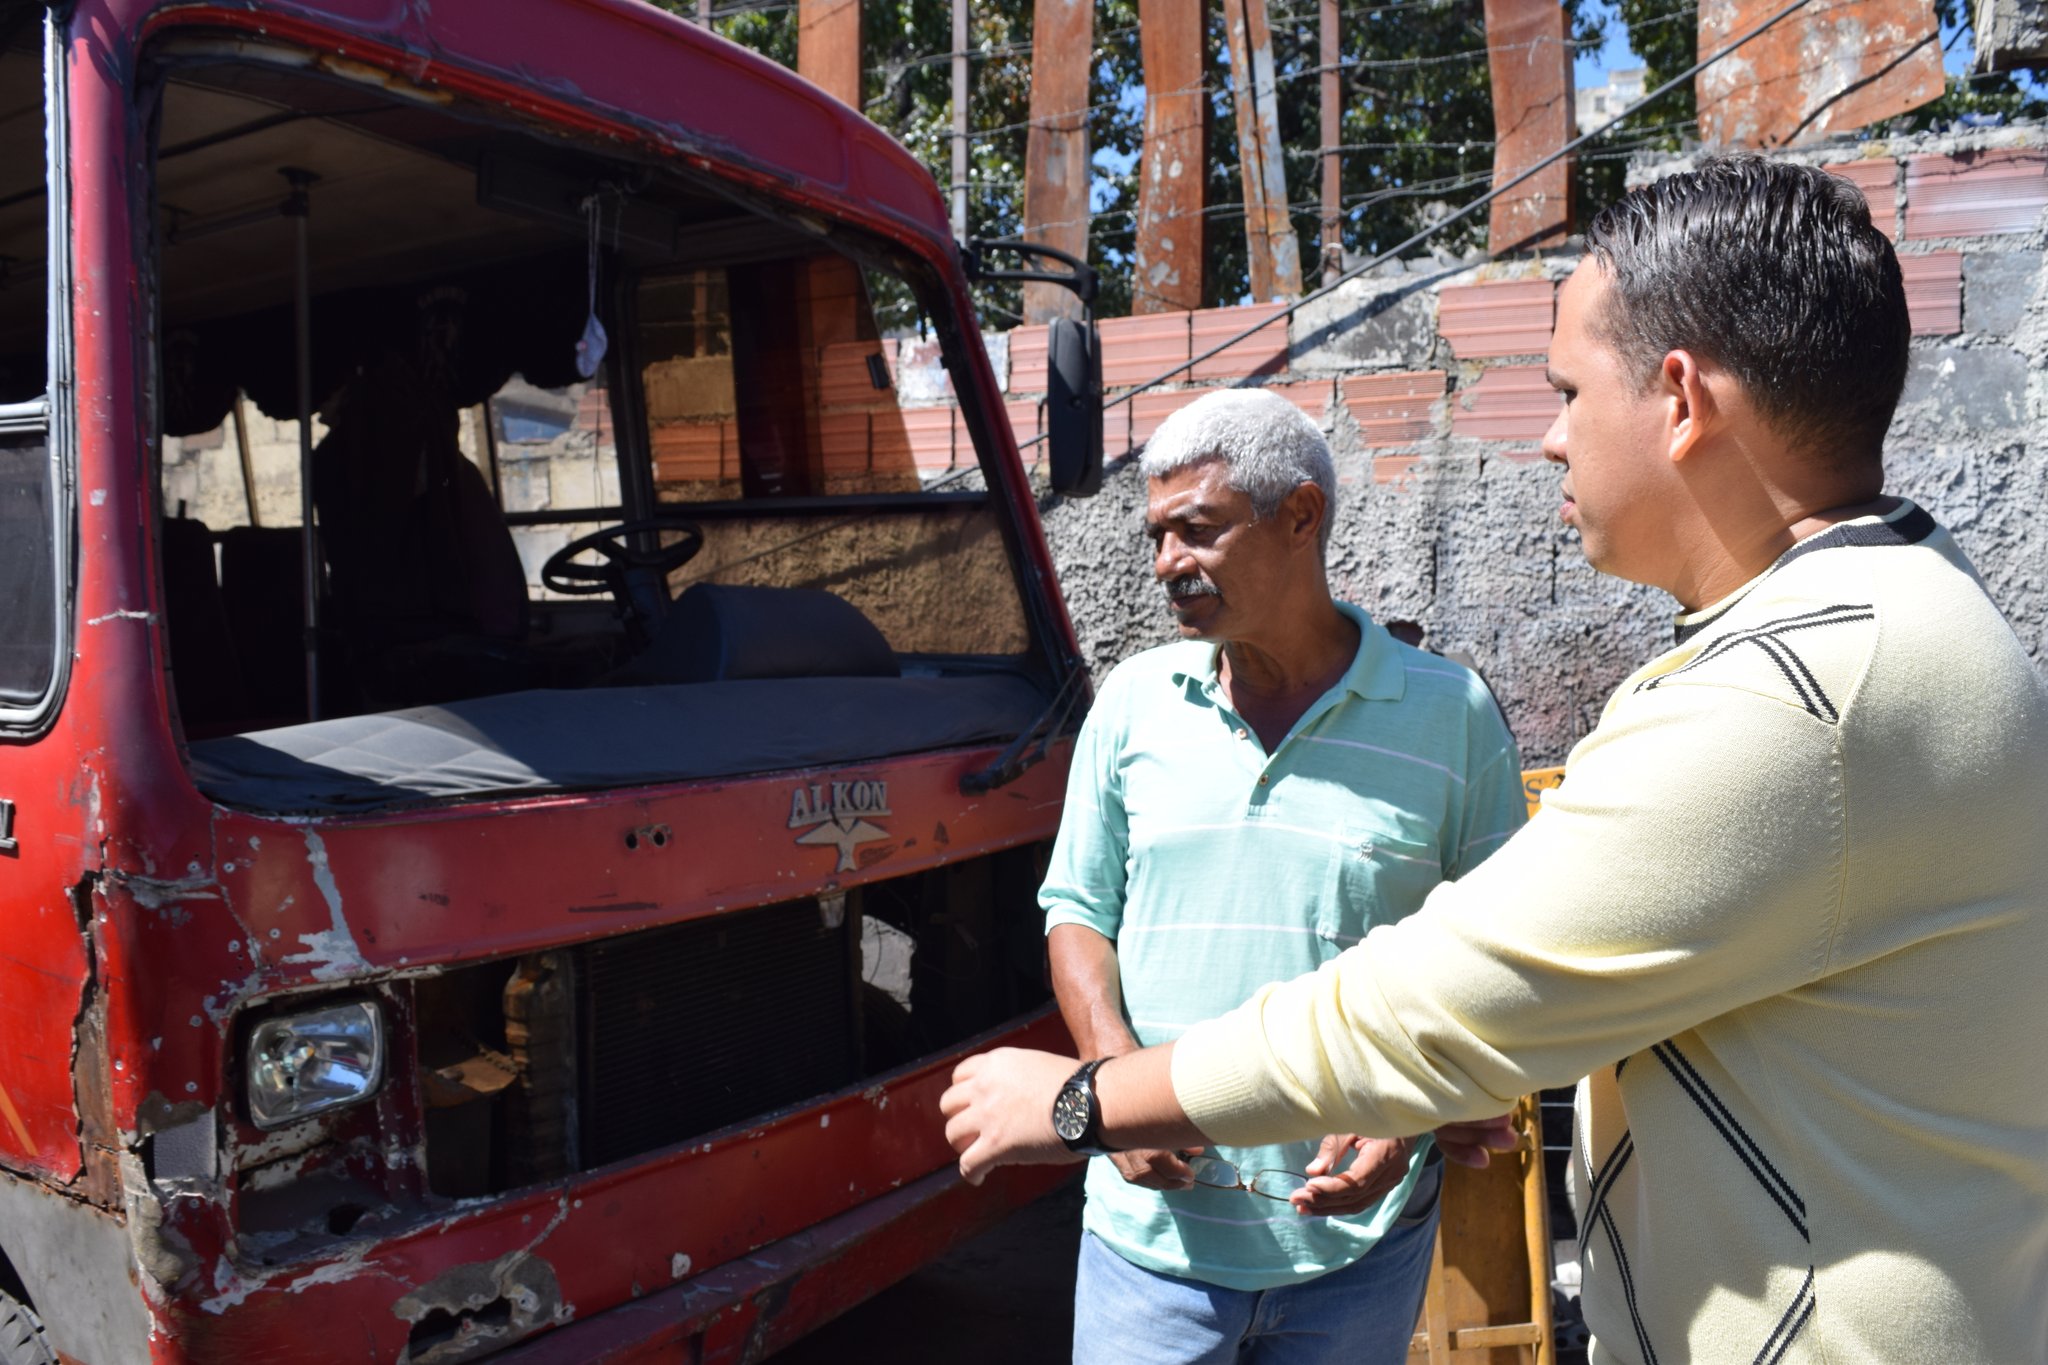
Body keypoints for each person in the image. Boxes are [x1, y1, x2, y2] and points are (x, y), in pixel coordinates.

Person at [943, 155, 2048, 1364]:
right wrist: (1458, 1086)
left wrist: (1079, 1102)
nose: (1546, 442)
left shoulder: (1794, 694)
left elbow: (1437, 1003)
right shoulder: (1883, 624)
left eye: (1566, 391)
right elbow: (1535, 999)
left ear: (1677, 400)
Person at [1044, 388, 1526, 1364]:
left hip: (1356, 1257)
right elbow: (1075, 911)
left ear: (1299, 517)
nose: (1164, 564)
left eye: (1196, 530)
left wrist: (1412, 1113)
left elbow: (1504, 949)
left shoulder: (1450, 714)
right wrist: (1112, 1081)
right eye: (1154, 536)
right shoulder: (1131, 706)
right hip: (1149, 1253)